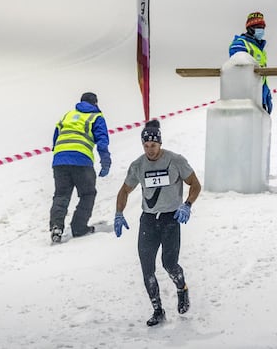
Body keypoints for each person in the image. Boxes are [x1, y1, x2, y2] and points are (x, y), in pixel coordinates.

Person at [114, 119, 202, 327]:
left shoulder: (176, 161)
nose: (149, 150)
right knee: (147, 269)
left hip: (171, 219)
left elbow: (195, 184)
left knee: (169, 264)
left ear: (160, 144)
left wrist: (187, 205)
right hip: (148, 221)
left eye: (153, 146)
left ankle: (182, 288)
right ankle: (157, 310)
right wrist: (119, 213)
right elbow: (125, 190)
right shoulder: (138, 165)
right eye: (145, 146)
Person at [49, 91, 111, 244]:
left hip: (60, 160)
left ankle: (56, 227)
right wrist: (105, 161)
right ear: (95, 103)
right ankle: (79, 227)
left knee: (61, 195)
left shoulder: (67, 115)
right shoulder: (96, 116)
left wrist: (60, 155)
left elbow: (56, 136)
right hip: (82, 160)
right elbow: (102, 140)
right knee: (87, 193)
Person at [229, 11, 273, 114]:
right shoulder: (240, 44)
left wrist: (266, 93)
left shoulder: (261, 50)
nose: (261, 30)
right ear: (250, 28)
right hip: (246, 97)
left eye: (263, 27)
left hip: (260, 95)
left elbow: (262, 76)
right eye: (258, 27)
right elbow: (237, 70)